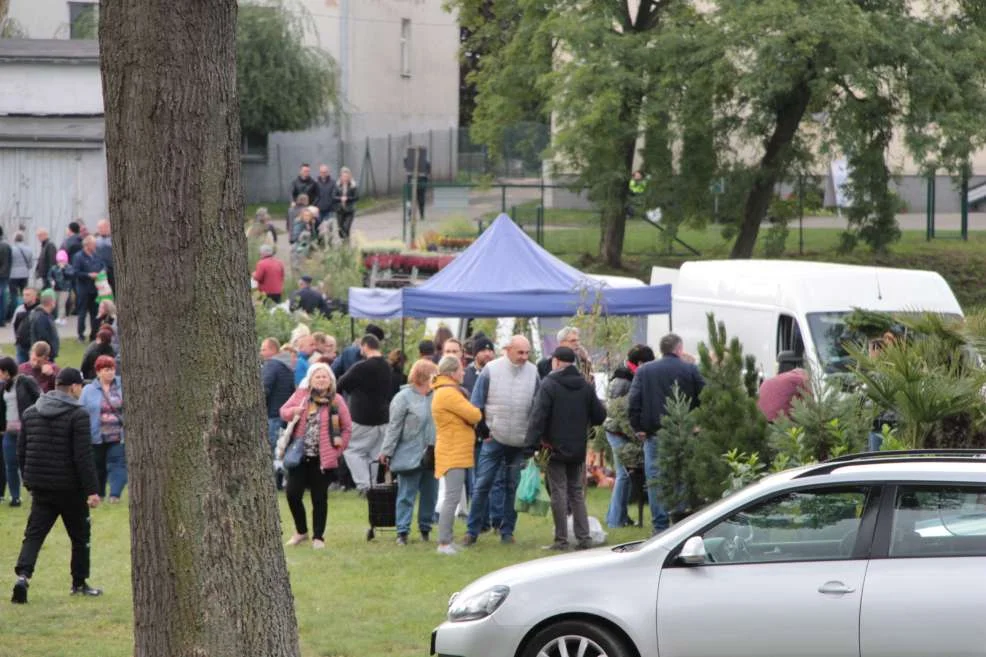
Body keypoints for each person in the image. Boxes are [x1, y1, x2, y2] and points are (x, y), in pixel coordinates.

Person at [12, 367, 102, 604]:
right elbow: (83, 456)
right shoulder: (78, 415)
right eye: (80, 386)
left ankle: (23, 577)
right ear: (73, 387)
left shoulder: (32, 413)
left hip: (41, 488)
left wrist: (28, 481)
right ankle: (79, 582)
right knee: (80, 537)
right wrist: (92, 490)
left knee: (34, 535)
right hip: (71, 489)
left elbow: (22, 451)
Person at [527, 346, 607, 551]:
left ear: (556, 361)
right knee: (576, 492)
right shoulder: (585, 385)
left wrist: (532, 443)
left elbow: (539, 415)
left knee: (558, 492)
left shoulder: (549, 384)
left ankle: (561, 539)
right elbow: (599, 415)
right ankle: (584, 537)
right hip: (578, 447)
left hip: (554, 446)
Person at [463, 335, 539, 546]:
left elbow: (538, 406)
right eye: (520, 352)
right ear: (508, 350)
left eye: (527, 353)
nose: (524, 357)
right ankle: (472, 531)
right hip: (494, 437)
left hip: (519, 440)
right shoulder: (491, 370)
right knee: (482, 484)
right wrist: (484, 429)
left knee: (512, 487)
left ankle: (507, 531)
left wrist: (534, 437)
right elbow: (476, 402)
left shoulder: (533, 372)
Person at [628, 333, 705, 534]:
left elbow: (634, 400)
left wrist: (637, 427)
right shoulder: (690, 369)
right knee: (680, 476)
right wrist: (698, 423)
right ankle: (679, 524)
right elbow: (704, 397)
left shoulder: (644, 371)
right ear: (679, 349)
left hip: (654, 433)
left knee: (656, 479)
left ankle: (660, 527)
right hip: (684, 431)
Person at [278, 363, 352, 549]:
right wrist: (293, 412)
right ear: (310, 379)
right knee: (293, 494)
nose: (321, 379)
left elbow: (347, 428)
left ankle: (318, 537)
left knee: (319, 498)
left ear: (330, 381)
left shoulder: (337, 400)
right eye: (317, 376)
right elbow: (283, 412)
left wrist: (337, 449)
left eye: (324, 377)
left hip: (323, 458)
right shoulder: (301, 396)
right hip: (300, 455)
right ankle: (301, 531)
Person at [379, 359, 439, 545]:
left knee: (431, 494)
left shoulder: (437, 395)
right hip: (408, 452)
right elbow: (394, 427)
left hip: (432, 453)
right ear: (423, 376)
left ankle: (425, 529)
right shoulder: (403, 397)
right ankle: (402, 531)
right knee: (406, 494)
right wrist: (386, 451)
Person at [432, 355, 482, 555]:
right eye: (461, 370)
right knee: (452, 498)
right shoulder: (448, 393)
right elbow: (475, 414)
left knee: (452, 496)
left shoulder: (444, 391)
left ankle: (448, 540)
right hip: (452, 450)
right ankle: (444, 542)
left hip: (454, 449)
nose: (463, 373)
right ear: (452, 373)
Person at [604, 344, 655, 529]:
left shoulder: (626, 375)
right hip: (617, 432)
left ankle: (616, 516)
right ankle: (615, 521)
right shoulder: (624, 381)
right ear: (640, 363)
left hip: (618, 432)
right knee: (624, 476)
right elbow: (618, 412)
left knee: (623, 475)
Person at [337, 334, 394, 494]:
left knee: (351, 450)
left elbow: (341, 383)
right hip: (383, 417)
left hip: (362, 417)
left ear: (365, 346)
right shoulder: (387, 367)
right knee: (375, 453)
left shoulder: (361, 367)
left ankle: (364, 486)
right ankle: (373, 484)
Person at [79, 356, 125, 503]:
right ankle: (99, 494)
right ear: (98, 372)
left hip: (117, 435)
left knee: (117, 464)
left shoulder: (122, 386)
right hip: (96, 436)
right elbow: (82, 411)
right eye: (106, 370)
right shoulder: (88, 390)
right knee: (97, 466)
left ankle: (115, 494)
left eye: (112, 369)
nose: (110, 372)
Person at [0, 357, 41, 509]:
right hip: (9, 432)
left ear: (6, 371)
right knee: (10, 463)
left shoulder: (25, 381)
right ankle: (15, 497)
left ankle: (34, 491)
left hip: (26, 430)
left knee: (29, 463)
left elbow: (39, 398)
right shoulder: (4, 386)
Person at [261, 337, 295, 477]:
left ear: (273, 350)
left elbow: (264, 389)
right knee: (281, 449)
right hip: (284, 414)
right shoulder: (287, 367)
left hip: (272, 414)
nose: (261, 352)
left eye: (263, 349)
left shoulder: (271, 366)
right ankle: (282, 478)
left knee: (271, 448)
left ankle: (273, 479)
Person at [71, 236, 102, 343]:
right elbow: (75, 272)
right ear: (87, 245)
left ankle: (94, 334)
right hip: (84, 289)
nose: (95, 246)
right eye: (93, 244)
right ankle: (81, 335)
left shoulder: (96, 255)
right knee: (82, 313)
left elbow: (102, 266)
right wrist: (88, 275)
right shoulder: (78, 257)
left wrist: (102, 273)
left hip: (95, 289)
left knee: (95, 313)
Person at [8, 231, 34, 321]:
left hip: (13, 274)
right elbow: (30, 264)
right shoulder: (28, 249)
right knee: (25, 294)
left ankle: (13, 314)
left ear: (14, 239)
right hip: (25, 274)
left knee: (13, 295)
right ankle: (25, 312)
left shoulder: (11, 249)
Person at [28, 290, 60, 362]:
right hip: (43, 356)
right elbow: (43, 338)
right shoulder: (41, 317)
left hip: (44, 355)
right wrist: (48, 353)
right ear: (52, 302)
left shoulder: (44, 315)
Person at [12, 287, 40, 364]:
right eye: (23, 295)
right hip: (21, 346)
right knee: (20, 369)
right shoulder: (19, 309)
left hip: (35, 346)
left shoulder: (39, 310)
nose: (25, 297)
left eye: (28, 295)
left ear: (35, 296)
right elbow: (15, 325)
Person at [48, 249, 74, 325]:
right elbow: (49, 276)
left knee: (61, 303)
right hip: (56, 288)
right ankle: (60, 317)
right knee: (55, 303)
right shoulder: (54, 268)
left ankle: (60, 318)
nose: (61, 262)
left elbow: (70, 276)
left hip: (65, 289)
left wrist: (63, 269)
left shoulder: (69, 267)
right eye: (59, 261)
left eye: (63, 260)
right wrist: (51, 281)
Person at [333, 167, 359, 241]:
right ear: (341, 176)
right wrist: (340, 198)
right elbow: (333, 196)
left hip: (349, 210)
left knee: (346, 228)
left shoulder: (353, 185)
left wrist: (347, 198)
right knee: (340, 230)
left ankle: (346, 244)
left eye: (346, 176)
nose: (345, 178)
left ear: (349, 176)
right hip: (339, 210)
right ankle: (344, 242)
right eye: (343, 176)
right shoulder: (337, 185)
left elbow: (356, 197)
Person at [94, 219, 114, 293]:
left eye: (101, 227)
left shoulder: (112, 239)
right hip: (101, 269)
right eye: (98, 228)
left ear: (107, 227)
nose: (99, 230)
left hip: (113, 268)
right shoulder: (96, 240)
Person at [314, 164, 335, 230]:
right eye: (322, 172)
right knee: (319, 229)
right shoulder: (315, 183)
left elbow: (335, 195)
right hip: (319, 210)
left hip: (330, 211)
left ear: (328, 172)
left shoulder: (333, 183)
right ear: (319, 173)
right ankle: (320, 240)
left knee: (329, 229)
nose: (323, 174)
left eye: (325, 172)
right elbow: (314, 196)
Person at [0, 227, 11, 327]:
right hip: (5, 275)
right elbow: (9, 261)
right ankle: (2, 320)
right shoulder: (6, 246)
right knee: (3, 297)